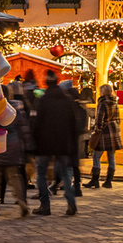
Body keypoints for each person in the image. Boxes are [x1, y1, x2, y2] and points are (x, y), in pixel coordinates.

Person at [32, 79, 82, 216]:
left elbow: (37, 123)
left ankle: (45, 205)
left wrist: (35, 143)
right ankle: (71, 203)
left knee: (41, 174)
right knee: (66, 173)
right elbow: (75, 124)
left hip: (45, 143)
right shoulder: (68, 101)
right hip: (64, 143)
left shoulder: (43, 100)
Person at [0, 83, 31, 218]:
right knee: (15, 176)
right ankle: (22, 201)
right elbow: (24, 128)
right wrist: (26, 145)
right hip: (13, 146)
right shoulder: (16, 107)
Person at [85, 82, 122, 188]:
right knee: (111, 156)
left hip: (104, 132)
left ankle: (95, 180)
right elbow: (118, 118)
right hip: (114, 131)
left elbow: (99, 118)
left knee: (96, 156)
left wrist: (97, 129)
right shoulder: (115, 102)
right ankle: (108, 181)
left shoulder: (102, 102)